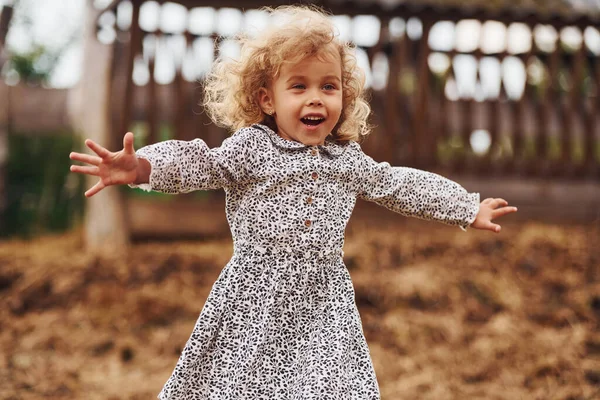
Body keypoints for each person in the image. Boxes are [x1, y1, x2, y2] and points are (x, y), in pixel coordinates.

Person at [69, 5, 517, 399]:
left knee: (335, 388)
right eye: (298, 86)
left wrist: (465, 208)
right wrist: (143, 167)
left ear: (345, 95)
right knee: (240, 387)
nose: (316, 98)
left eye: (329, 86)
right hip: (254, 299)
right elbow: (201, 163)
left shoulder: (347, 160)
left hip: (325, 303)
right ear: (267, 98)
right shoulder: (251, 148)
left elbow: (398, 184)